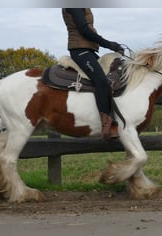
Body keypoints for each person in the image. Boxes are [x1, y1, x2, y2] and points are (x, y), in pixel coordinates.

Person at [62, 8, 124, 140]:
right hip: (80, 50)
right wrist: (109, 44)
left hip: (88, 50)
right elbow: (84, 29)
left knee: (109, 79)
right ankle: (105, 125)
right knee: (101, 81)